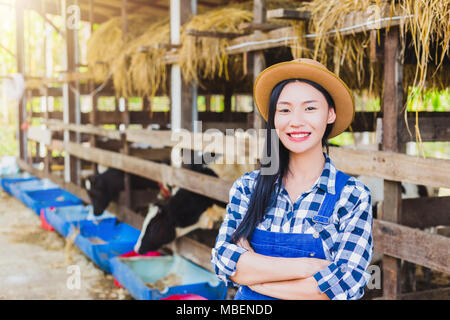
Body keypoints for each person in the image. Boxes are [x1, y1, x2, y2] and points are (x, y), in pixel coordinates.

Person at [211, 58, 373, 300]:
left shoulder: (352, 196)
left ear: (330, 114)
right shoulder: (247, 188)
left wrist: (253, 277)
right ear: (274, 119)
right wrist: (305, 268)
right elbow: (223, 260)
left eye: (309, 108)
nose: (296, 121)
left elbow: (343, 285)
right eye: (285, 110)